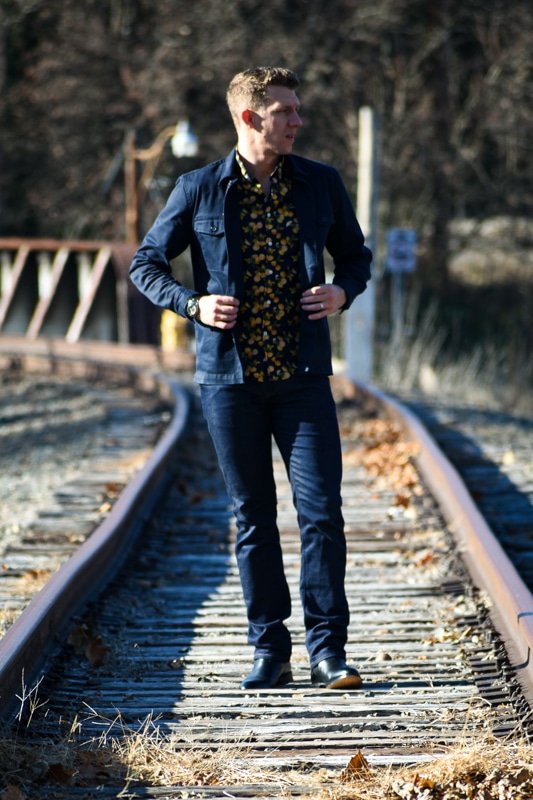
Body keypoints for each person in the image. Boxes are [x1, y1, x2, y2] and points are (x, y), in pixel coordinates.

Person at [129, 66, 372, 690]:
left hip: (303, 378)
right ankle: (271, 649)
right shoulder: (199, 189)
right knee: (253, 517)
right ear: (250, 117)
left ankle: (327, 651)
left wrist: (342, 290)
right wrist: (193, 305)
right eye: (286, 111)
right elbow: (146, 263)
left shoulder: (320, 184)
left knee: (322, 515)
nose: (298, 120)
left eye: (297, 110)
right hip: (228, 383)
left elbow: (357, 255)